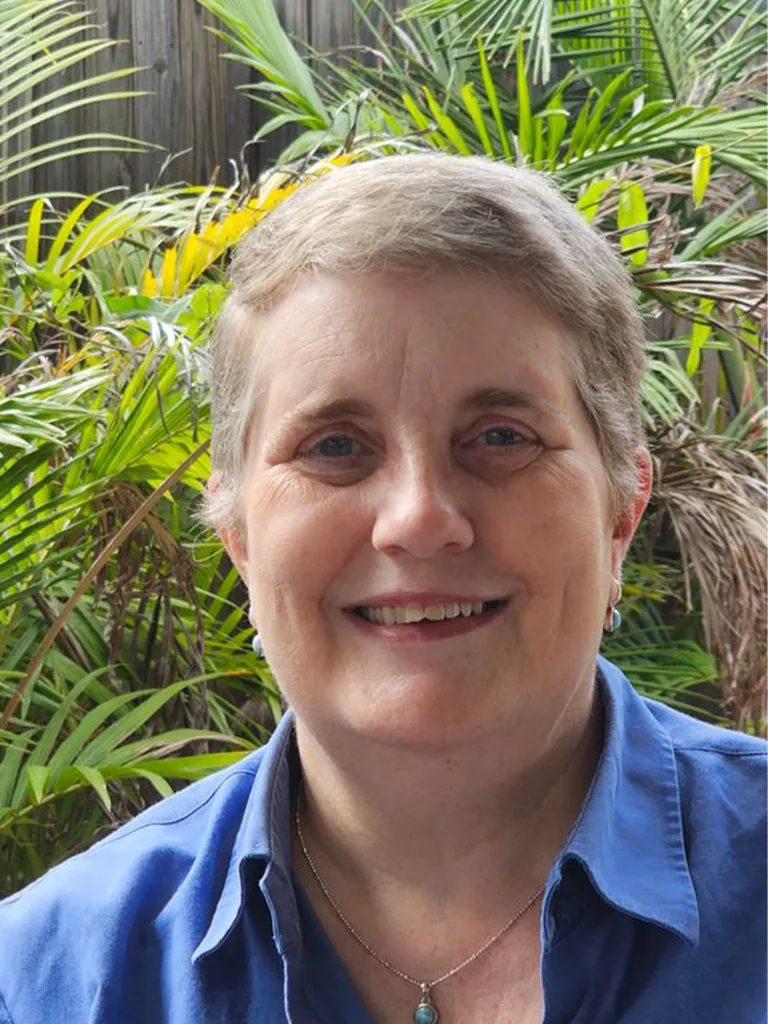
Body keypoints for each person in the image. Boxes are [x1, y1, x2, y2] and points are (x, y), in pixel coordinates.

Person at [0, 153, 765, 1024]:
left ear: (621, 511)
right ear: (241, 539)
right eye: (334, 447)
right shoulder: (48, 980)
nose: (417, 518)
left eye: (501, 436)